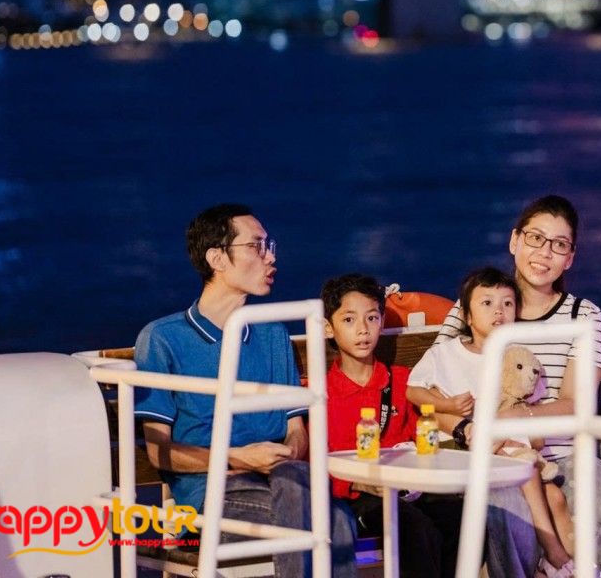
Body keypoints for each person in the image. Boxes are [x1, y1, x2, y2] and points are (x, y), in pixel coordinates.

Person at [431, 195, 601, 578]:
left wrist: (513, 416)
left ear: (570, 258)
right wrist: (471, 430)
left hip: (566, 458)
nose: (544, 252)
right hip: (496, 456)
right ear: (514, 241)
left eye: (559, 244)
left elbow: (576, 403)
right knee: (509, 516)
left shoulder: (581, 315)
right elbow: (436, 388)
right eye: (535, 238)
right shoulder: (478, 304)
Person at [133, 203, 356, 578]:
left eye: (270, 246)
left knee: (324, 511)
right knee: (329, 521)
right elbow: (159, 451)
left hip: (280, 482)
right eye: (256, 246)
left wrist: (286, 452)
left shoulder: (272, 333)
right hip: (212, 499)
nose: (271, 257)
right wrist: (239, 458)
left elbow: (296, 430)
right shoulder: (163, 338)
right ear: (217, 258)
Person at [409, 267, 574, 577]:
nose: (499, 310)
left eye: (507, 303)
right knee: (527, 475)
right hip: (464, 452)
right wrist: (448, 405)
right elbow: (414, 392)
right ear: (467, 316)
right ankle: (555, 553)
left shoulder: (516, 358)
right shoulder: (445, 354)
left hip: (509, 448)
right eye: (487, 303)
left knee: (554, 496)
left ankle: (563, 567)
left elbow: (530, 407)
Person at [321, 273, 462, 578]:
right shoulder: (320, 392)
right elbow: (309, 461)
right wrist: (356, 484)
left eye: (372, 318)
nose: (363, 329)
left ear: (382, 322)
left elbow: (423, 435)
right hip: (357, 499)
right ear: (328, 327)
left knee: (460, 515)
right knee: (412, 527)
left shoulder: (402, 381)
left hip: (408, 489)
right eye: (349, 320)